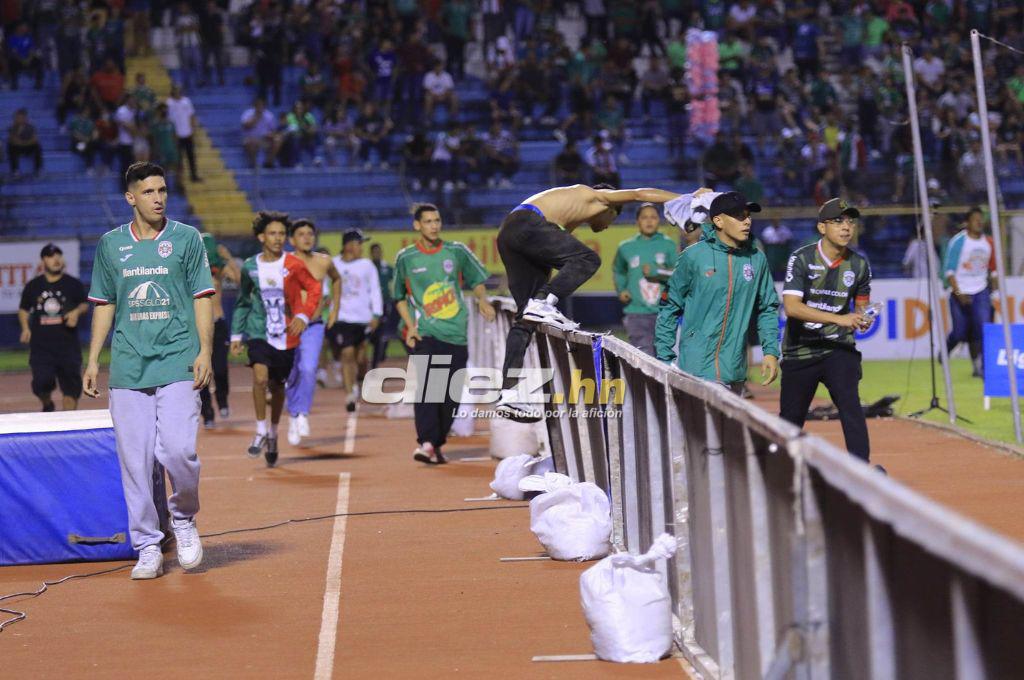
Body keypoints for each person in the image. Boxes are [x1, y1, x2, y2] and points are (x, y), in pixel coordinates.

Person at [83, 161, 214, 580]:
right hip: (127, 366)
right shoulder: (110, 245)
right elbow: (104, 304)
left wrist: (205, 350)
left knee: (178, 452)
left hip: (177, 359)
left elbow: (201, 297)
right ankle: (147, 544)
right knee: (135, 463)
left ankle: (183, 517)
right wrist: (92, 360)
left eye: (162, 190)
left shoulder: (186, 239)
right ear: (131, 198)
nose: (158, 198)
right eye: (149, 192)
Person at [494, 183, 683, 421]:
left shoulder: (567, 216)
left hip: (509, 231)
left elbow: (551, 261)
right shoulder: (597, 195)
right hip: (528, 222)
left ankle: (508, 395)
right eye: (611, 220)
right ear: (610, 208)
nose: (606, 227)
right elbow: (639, 194)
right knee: (588, 259)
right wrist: (686, 198)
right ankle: (542, 304)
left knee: (526, 320)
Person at [393, 204, 495, 464]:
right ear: (417, 225)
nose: (434, 225)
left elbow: (477, 280)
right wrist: (410, 326)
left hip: (456, 332)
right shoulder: (406, 258)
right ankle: (426, 442)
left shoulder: (457, 251)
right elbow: (399, 298)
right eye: (427, 221)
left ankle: (436, 444)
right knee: (427, 389)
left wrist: (482, 300)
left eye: (437, 220)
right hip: (425, 333)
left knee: (449, 396)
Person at [778, 198, 875, 463]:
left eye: (850, 222)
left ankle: (862, 473)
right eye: (838, 221)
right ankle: (781, 472)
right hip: (801, 349)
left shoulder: (859, 265)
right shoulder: (802, 258)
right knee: (790, 421)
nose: (846, 228)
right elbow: (792, 308)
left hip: (838, 348)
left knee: (851, 408)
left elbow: (862, 308)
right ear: (822, 227)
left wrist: (864, 319)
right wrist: (840, 318)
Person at [654, 191, 780, 393]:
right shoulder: (693, 257)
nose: (747, 221)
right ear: (718, 221)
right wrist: (664, 357)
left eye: (748, 216)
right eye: (739, 216)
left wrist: (771, 352)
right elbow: (669, 307)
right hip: (696, 368)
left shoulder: (757, 259)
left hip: (735, 369)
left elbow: (768, 308)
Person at [231, 211, 321, 466]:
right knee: (259, 377)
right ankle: (260, 430)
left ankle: (273, 432)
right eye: (272, 233)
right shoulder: (250, 267)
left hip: (286, 336)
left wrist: (303, 315)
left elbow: (314, 288)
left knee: (277, 386)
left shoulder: (294, 264)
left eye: (282, 233)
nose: (278, 238)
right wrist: (237, 334)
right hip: (259, 332)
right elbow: (243, 301)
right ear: (261, 236)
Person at [285, 219, 341, 446]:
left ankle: (301, 414)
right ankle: (293, 414)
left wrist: (335, 309)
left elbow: (337, 280)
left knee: (308, 368)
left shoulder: (324, 261)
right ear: (292, 239)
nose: (307, 237)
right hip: (288, 326)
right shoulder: (284, 262)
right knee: (290, 373)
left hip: (314, 325)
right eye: (301, 234)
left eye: (310, 233)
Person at [18, 244, 88, 412]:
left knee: (71, 389)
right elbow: (23, 309)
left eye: (58, 255)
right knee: (41, 384)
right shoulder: (33, 286)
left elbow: (84, 304)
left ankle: (67, 427)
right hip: (41, 348)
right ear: (43, 261)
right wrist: (25, 328)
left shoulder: (73, 284)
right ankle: (47, 404)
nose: (56, 259)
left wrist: (76, 312)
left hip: (68, 347)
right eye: (50, 256)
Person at [329, 229, 383, 413]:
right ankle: (350, 394)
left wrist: (376, 314)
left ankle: (356, 382)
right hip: (342, 318)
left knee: (360, 358)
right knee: (347, 354)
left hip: (363, 319)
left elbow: (375, 290)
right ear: (349, 245)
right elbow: (323, 287)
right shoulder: (333, 264)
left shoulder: (367, 265)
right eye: (359, 243)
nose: (361, 247)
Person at [614, 203, 678, 356]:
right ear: (637, 221)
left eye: (653, 217)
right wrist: (621, 289)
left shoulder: (668, 244)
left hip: (664, 312)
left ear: (659, 220)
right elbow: (619, 270)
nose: (649, 221)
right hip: (636, 312)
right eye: (644, 217)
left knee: (664, 358)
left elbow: (678, 274)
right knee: (643, 357)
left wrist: (657, 271)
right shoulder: (626, 247)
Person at [943, 207, 998, 377]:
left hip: (980, 291)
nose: (979, 221)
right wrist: (959, 294)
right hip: (959, 292)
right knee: (959, 332)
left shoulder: (989, 242)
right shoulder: (958, 242)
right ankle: (946, 349)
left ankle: (980, 367)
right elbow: (949, 271)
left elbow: (994, 269)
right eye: (975, 219)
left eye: (981, 218)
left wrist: (994, 291)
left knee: (981, 329)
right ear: (967, 222)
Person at [198, 232, 239, 428]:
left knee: (220, 369)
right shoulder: (189, 271)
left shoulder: (218, 270)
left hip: (218, 324)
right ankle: (207, 413)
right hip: (197, 327)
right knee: (201, 373)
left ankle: (222, 400)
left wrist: (228, 258)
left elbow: (240, 280)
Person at [369, 243, 396, 369]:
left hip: (385, 304)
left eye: (379, 252)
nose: (377, 254)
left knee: (382, 332)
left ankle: (378, 357)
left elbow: (397, 279)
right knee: (372, 335)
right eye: (375, 252)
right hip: (369, 307)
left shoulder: (386, 268)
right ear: (371, 253)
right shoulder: (367, 267)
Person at [166, 83, 201, 182]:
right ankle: (179, 179)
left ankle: (193, 175)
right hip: (177, 135)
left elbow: (191, 116)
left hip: (187, 133)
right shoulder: (169, 103)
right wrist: (172, 134)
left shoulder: (186, 101)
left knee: (191, 156)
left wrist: (193, 130)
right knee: (178, 158)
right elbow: (169, 120)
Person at [7, 109, 43, 176]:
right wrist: (19, 132)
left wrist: (24, 143)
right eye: (18, 118)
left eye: (22, 118)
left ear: (25, 118)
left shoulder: (31, 127)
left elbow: (35, 139)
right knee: (10, 146)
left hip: (28, 147)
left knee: (37, 146)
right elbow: (13, 140)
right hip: (17, 148)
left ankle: (38, 169)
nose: (20, 119)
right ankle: (15, 170)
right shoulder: (12, 128)